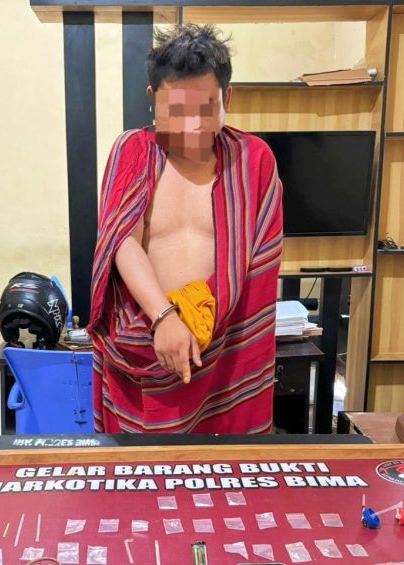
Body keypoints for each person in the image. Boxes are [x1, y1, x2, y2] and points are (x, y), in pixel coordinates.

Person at [88, 24, 283, 433]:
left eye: (204, 108)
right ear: (152, 98)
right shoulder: (132, 151)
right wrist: (164, 318)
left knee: (227, 468)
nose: (191, 125)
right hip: (147, 346)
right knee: (146, 470)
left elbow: (259, 268)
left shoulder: (253, 160)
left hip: (227, 359)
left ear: (227, 98)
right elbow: (122, 241)